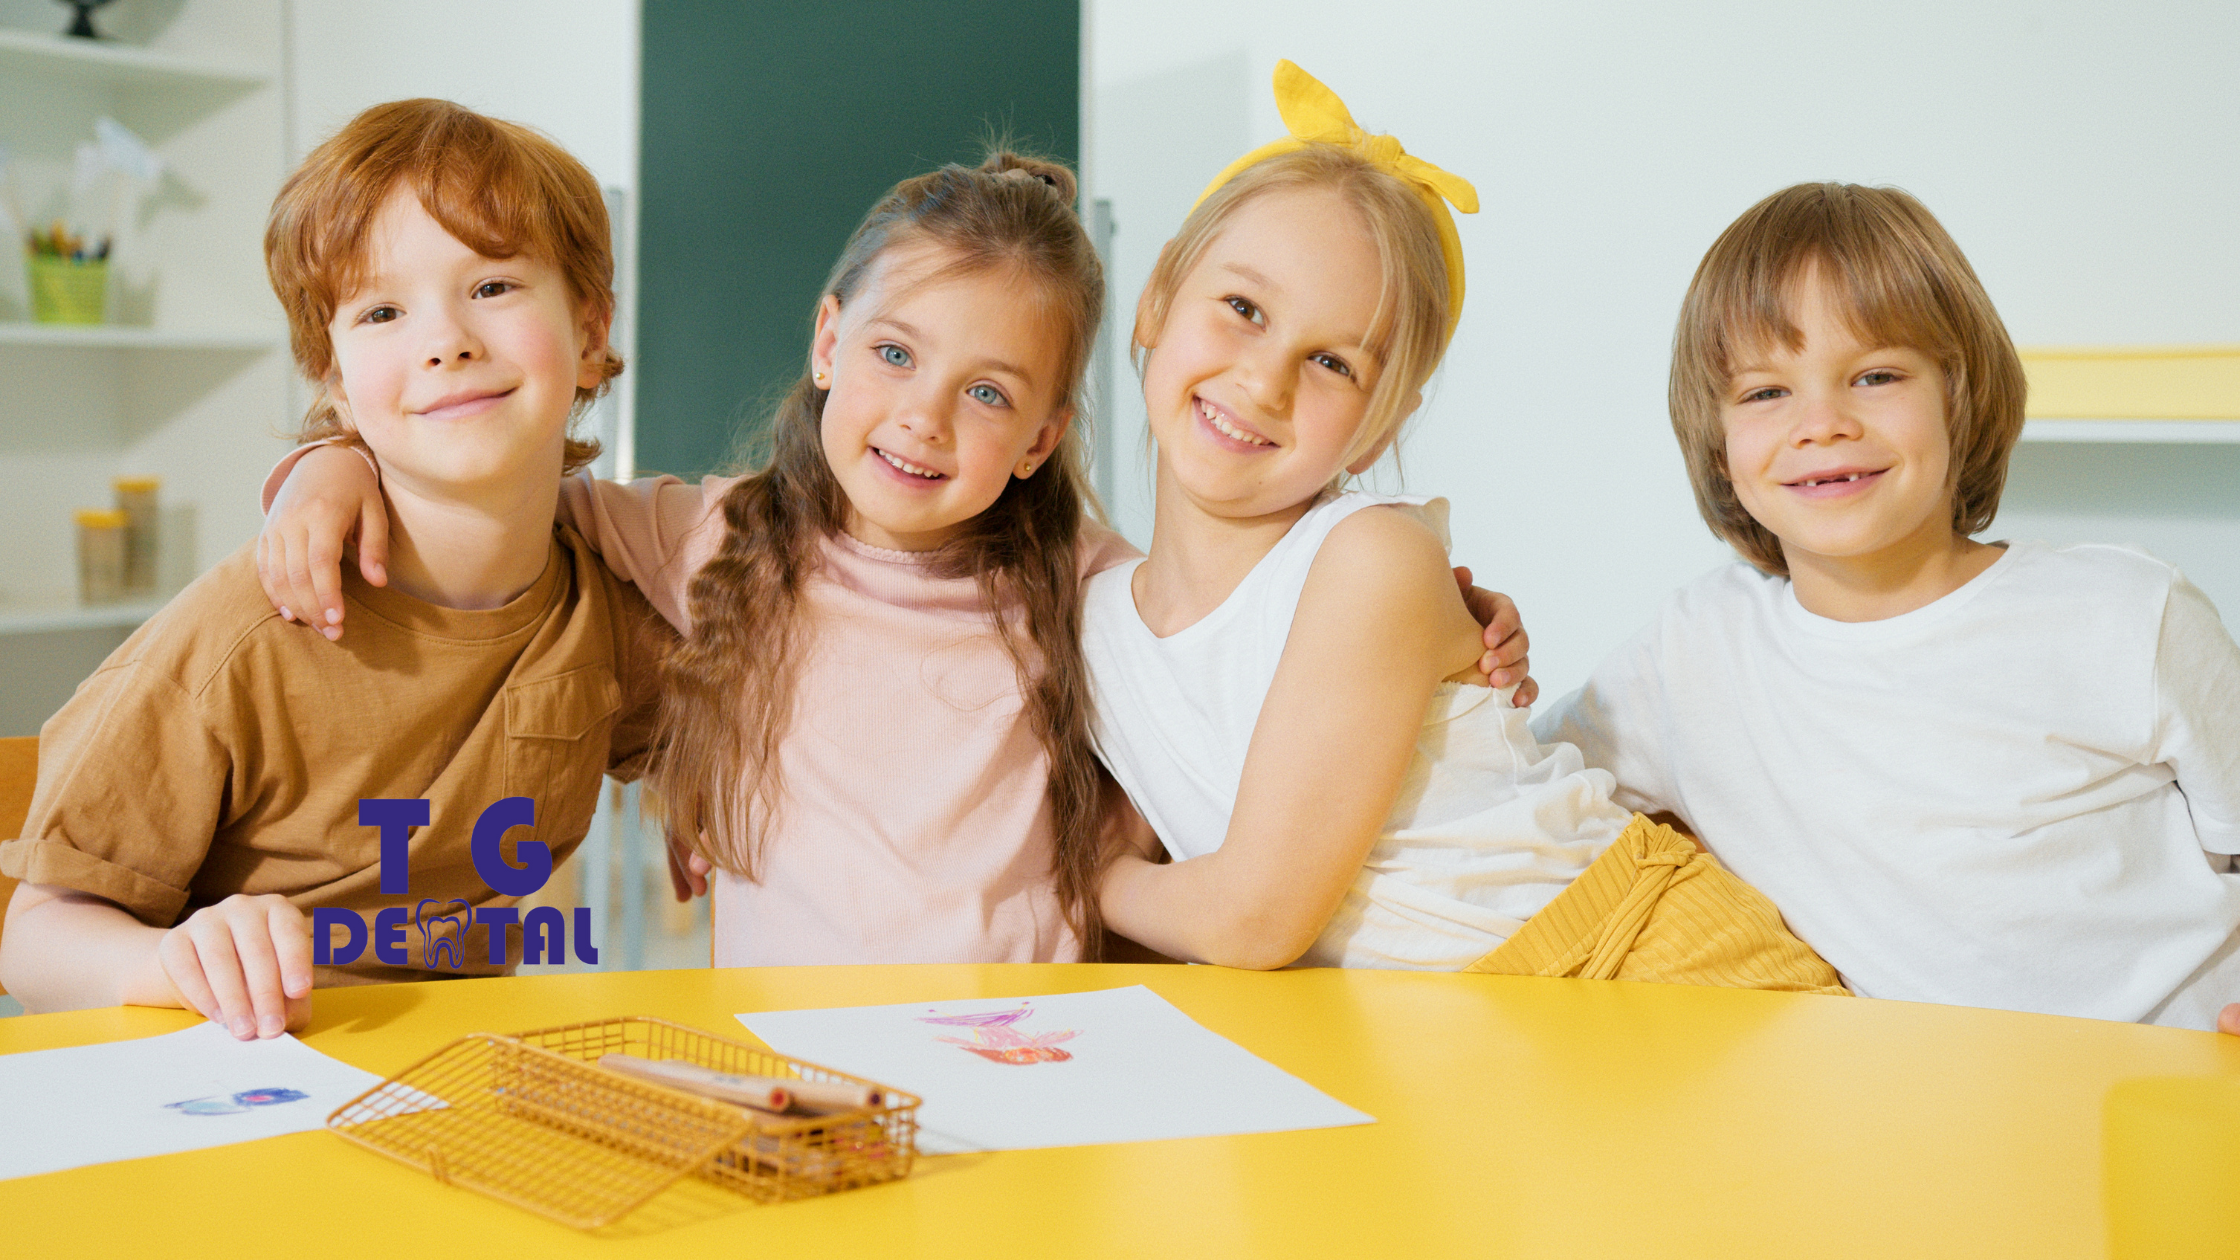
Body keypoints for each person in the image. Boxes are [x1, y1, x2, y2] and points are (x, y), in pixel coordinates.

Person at [258, 147, 1537, 966]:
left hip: (1034, 1059)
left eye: (990, 396)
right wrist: (334, 461)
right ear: (826, 342)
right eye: (892, 355)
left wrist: (1452, 627)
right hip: (791, 1071)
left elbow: (1256, 662)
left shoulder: (1095, 597)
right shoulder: (704, 535)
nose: (924, 415)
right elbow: (494, 482)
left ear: (1042, 437)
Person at [1084, 62, 1843, 994]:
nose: (1264, 380)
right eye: (1243, 309)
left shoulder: (1371, 561)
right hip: (1457, 1022)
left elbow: (1254, 918)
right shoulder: (1094, 621)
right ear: (1159, 296)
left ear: (1380, 427)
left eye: (1331, 361)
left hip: (1636, 961)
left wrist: (1098, 881)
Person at [0, 99, 668, 1038]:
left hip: (461, 1077)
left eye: (494, 287)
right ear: (333, 379)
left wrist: (712, 793)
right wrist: (172, 957)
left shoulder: (606, 606)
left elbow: (714, 730)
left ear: (591, 333)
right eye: (383, 310)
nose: (446, 341)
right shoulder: (245, 635)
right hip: (244, 1091)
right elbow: (33, 940)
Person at [1537, 182, 2240, 1032]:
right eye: (1766, 393)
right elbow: (1523, 791)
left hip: (2168, 1092)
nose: (1822, 422)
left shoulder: (2129, 614)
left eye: (1875, 375)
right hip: (1915, 1121)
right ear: (1719, 448)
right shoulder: (1692, 650)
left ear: (1959, 395)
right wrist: (1471, 642)